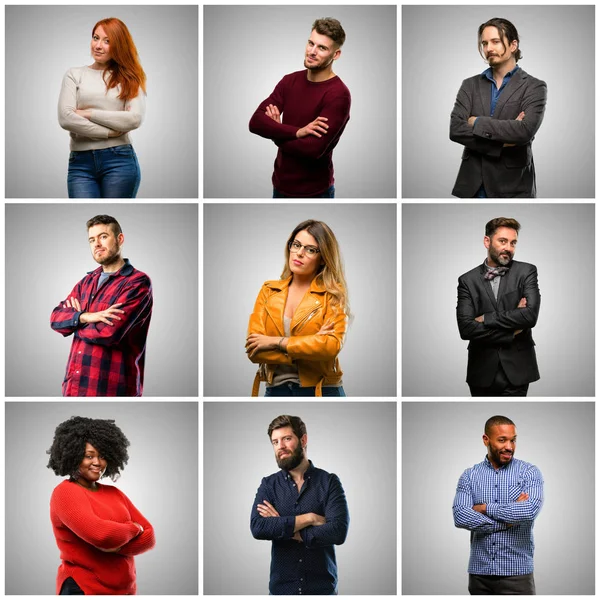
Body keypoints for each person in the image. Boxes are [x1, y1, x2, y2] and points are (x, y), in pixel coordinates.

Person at [48, 416, 156, 595]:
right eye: (89, 456)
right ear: (73, 456)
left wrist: (116, 546)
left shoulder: (115, 493)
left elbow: (150, 536)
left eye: (102, 456)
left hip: (124, 589)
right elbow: (102, 535)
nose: (97, 463)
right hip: (83, 588)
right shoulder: (65, 492)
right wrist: (134, 529)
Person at [50, 215, 153, 396]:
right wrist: (85, 317)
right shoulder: (86, 282)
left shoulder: (137, 282)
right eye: (92, 239)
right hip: (73, 388)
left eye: (103, 236)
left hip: (110, 390)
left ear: (120, 239)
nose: (96, 243)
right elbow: (56, 319)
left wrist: (73, 323)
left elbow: (108, 333)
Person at [249, 18, 351, 198]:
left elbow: (312, 150)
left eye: (322, 48)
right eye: (311, 43)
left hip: (315, 191)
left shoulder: (338, 95)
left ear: (336, 55)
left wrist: (276, 131)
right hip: (279, 185)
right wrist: (298, 132)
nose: (312, 52)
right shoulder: (289, 81)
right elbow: (255, 122)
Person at [246, 219, 349, 396]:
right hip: (275, 390)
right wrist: (310, 345)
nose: (299, 253)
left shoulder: (332, 294)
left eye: (310, 250)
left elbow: (330, 347)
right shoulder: (269, 291)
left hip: (323, 390)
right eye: (296, 245)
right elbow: (254, 351)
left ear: (323, 258)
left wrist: (274, 342)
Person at [251, 415, 350, 595]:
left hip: (322, 591)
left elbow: (338, 531)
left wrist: (283, 526)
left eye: (287, 439)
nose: (280, 446)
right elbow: (258, 527)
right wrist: (310, 518)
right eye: (275, 442)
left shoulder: (329, 482)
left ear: (303, 440)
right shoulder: (269, 485)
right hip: (281, 591)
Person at [450, 18, 547, 198]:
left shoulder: (535, 87)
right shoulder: (469, 85)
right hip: (472, 183)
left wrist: (476, 121)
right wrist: (503, 142)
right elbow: (455, 130)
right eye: (484, 43)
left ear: (513, 45)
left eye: (495, 41)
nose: (488, 49)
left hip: (513, 184)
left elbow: (524, 132)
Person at [453, 415, 544, 595]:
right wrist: (507, 521)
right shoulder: (469, 476)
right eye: (502, 440)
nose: (509, 447)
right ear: (486, 440)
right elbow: (460, 516)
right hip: (479, 575)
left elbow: (529, 510)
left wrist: (485, 508)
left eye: (513, 440)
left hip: (517, 575)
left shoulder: (529, 473)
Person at [58, 18, 146, 198]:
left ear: (119, 45)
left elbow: (134, 119)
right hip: (80, 163)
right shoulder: (74, 74)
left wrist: (89, 113)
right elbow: (66, 118)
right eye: (95, 38)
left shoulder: (129, 78)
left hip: (119, 160)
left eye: (107, 41)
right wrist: (110, 133)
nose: (98, 45)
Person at [456, 217, 540, 396]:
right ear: (487, 241)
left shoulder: (526, 272)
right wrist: (512, 330)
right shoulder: (467, 280)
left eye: (513, 243)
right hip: (481, 369)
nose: (508, 248)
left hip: (518, 368)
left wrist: (487, 318)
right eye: (503, 241)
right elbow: (466, 329)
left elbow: (530, 316)